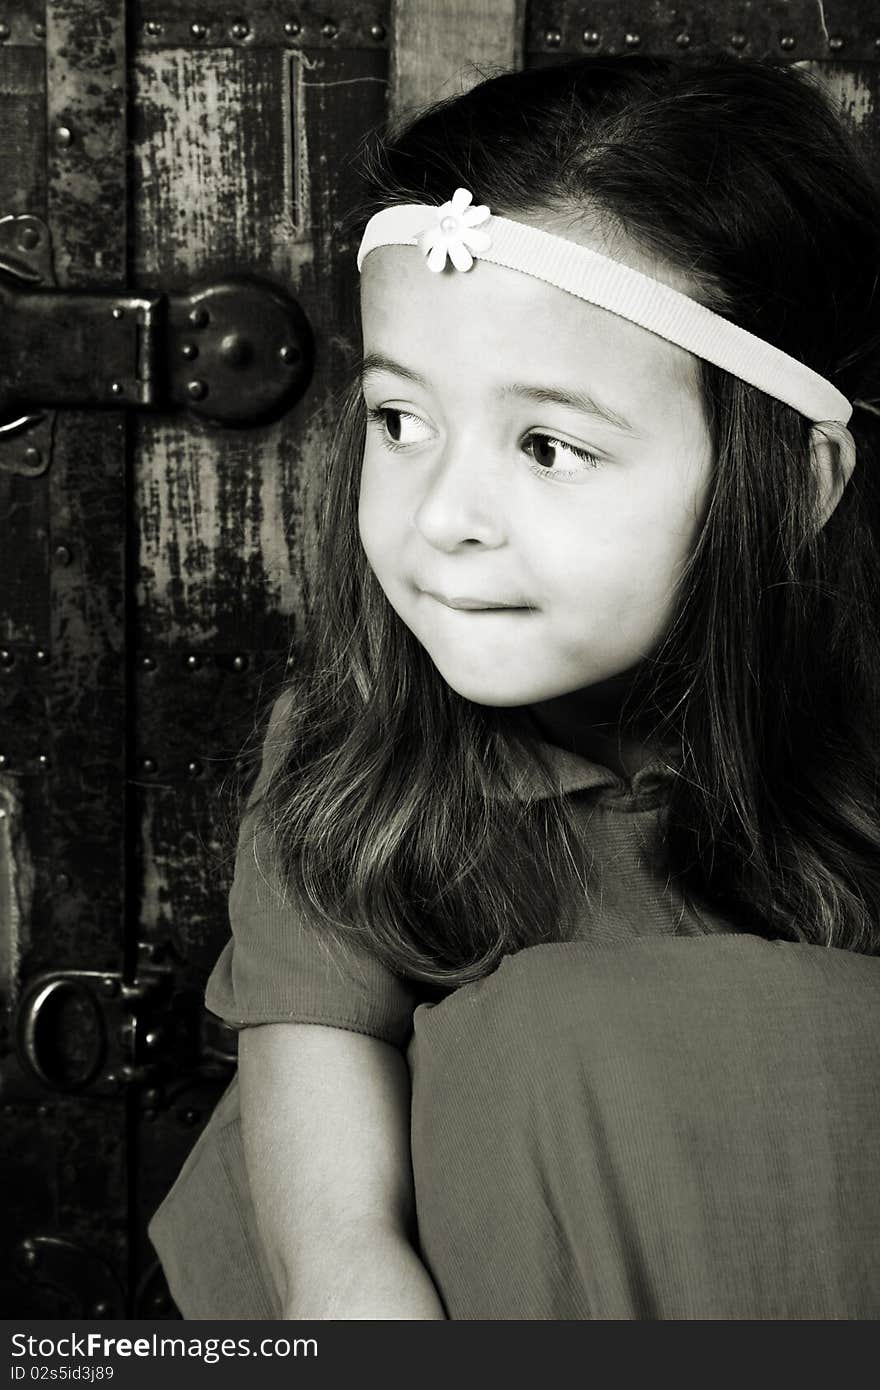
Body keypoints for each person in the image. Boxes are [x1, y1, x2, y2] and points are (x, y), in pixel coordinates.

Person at [149, 53, 880, 1320]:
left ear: (799, 484)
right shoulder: (351, 771)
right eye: (398, 421)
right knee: (552, 1029)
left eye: (549, 444)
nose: (443, 518)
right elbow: (339, 1253)